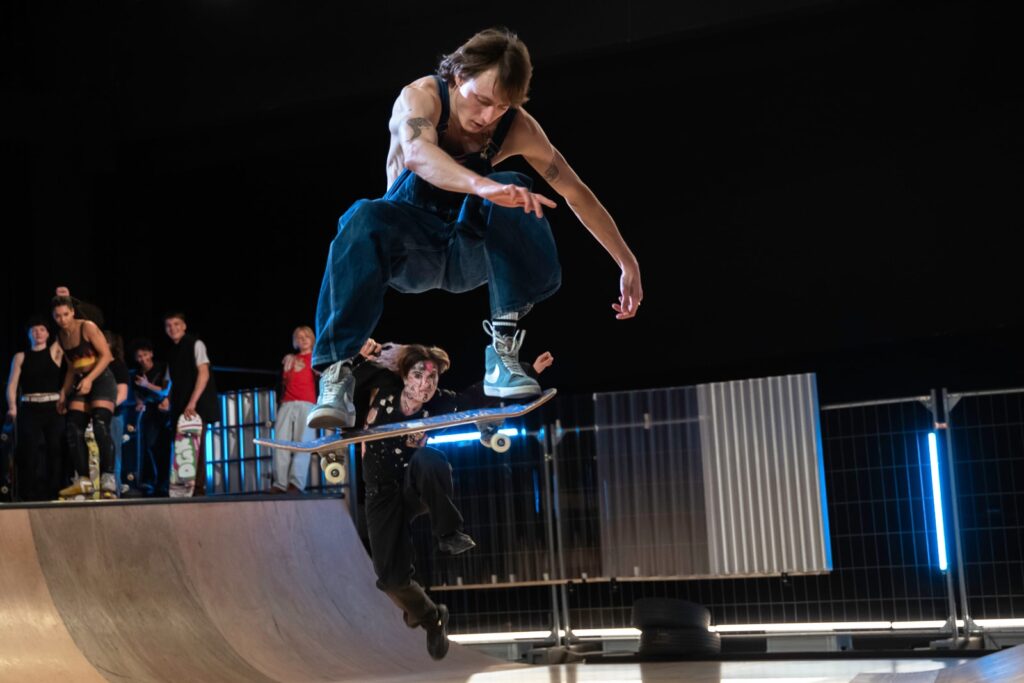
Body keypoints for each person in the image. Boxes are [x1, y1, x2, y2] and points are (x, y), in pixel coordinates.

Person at [306, 27, 643, 430]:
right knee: (361, 215)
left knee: (516, 187)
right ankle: (337, 373)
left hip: (466, 252)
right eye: (482, 101)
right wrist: (483, 185)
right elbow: (417, 153)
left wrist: (627, 261)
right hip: (409, 251)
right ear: (458, 75)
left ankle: (502, 349)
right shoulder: (421, 97)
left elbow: (575, 192)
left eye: (501, 107)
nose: (487, 118)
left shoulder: (518, 128)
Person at [352, 342, 475, 661]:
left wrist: (528, 373)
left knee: (430, 458)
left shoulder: (440, 402)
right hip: (380, 495)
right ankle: (431, 617)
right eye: (418, 376)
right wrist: (363, 357)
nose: (424, 386)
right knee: (391, 580)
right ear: (405, 375)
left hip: (412, 485)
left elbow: (478, 398)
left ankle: (449, 533)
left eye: (432, 380)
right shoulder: (385, 383)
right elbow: (349, 381)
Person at [52, 296, 119, 498]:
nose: (63, 319)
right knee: (73, 428)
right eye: (58, 316)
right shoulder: (60, 336)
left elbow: (107, 356)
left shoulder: (87, 327)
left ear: (72, 312)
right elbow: (71, 368)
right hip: (82, 382)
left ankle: (108, 479)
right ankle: (83, 480)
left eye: (65, 314)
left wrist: (90, 378)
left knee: (100, 426)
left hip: (101, 379)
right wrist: (63, 393)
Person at [4, 317, 66, 501]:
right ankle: (28, 494)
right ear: (29, 334)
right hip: (30, 408)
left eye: (42, 329)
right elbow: (12, 385)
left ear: (48, 333)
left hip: (53, 408)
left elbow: (66, 329)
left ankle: (55, 491)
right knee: (28, 450)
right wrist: (12, 407)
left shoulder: (55, 351)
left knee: (55, 449)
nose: (38, 333)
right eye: (34, 330)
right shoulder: (20, 356)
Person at [163, 312, 218, 496]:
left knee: (196, 447)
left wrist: (192, 402)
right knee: (182, 448)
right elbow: (171, 381)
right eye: (169, 325)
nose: (173, 328)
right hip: (179, 404)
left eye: (176, 324)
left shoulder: (196, 344)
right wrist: (167, 399)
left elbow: (204, 373)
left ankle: (198, 490)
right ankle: (184, 487)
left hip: (196, 404)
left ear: (184, 326)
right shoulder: (171, 351)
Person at [270, 326, 319, 494]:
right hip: (287, 403)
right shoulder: (290, 359)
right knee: (280, 442)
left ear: (312, 339)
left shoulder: (317, 357)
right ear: (295, 341)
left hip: (307, 403)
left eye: (306, 336)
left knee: (303, 443)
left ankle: (296, 483)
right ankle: (280, 483)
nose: (303, 339)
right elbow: (282, 382)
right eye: (299, 337)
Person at [131, 340, 171, 496]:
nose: (143, 359)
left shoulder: (162, 367)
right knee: (149, 446)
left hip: (164, 411)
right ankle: (151, 481)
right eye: (139, 356)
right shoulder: (137, 374)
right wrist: (139, 403)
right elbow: (137, 394)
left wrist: (147, 385)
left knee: (164, 448)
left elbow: (165, 390)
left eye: (145, 354)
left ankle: (164, 483)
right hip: (149, 412)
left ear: (151, 354)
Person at [104, 330, 131, 492]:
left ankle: (116, 490)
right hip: (93, 417)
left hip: (113, 416)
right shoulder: (94, 365)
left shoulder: (117, 365)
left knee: (113, 453)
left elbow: (123, 394)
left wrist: (106, 408)